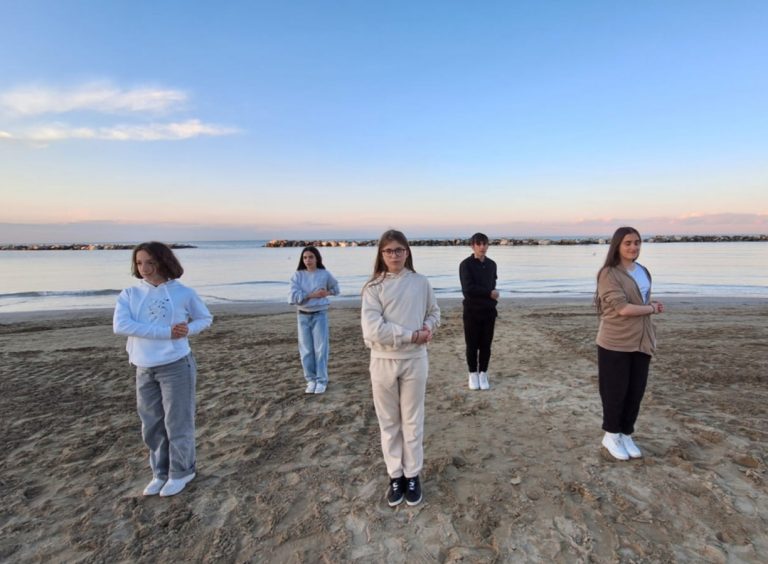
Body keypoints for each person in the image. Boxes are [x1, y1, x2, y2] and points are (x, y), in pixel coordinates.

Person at [113, 241, 213, 497]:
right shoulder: (129, 294)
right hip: (143, 367)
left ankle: (182, 471)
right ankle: (160, 472)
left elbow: (205, 318)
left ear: (162, 261)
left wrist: (188, 329)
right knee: (152, 424)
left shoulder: (183, 292)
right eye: (139, 263)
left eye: (149, 262)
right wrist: (165, 333)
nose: (144, 268)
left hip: (176, 365)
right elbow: (122, 326)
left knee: (177, 421)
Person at [361, 230, 440, 507]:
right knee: (389, 422)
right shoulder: (373, 288)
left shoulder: (421, 282)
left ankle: (412, 474)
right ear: (381, 255)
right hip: (383, 361)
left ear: (407, 252)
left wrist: (428, 328)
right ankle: (395, 475)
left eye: (399, 250)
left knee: (412, 420)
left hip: (415, 360)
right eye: (389, 251)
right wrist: (410, 335)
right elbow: (372, 330)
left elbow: (434, 311)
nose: (394, 255)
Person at [594, 227, 664, 461]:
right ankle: (611, 435)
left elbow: (639, 300)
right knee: (615, 392)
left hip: (642, 340)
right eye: (628, 243)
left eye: (637, 242)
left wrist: (649, 304)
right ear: (617, 246)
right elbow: (623, 309)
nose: (633, 247)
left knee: (635, 391)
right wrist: (652, 308)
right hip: (616, 341)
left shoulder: (643, 270)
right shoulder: (608, 273)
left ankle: (625, 433)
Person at [288, 245, 340, 394]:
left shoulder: (324, 274)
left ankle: (321, 380)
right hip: (302, 316)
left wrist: (326, 293)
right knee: (306, 350)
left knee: (321, 349)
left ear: (317, 258)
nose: (308, 260)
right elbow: (292, 297)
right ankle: (310, 380)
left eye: (311, 257)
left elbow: (336, 289)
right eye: (305, 257)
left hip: (320, 315)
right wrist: (312, 295)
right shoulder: (297, 275)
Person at [459, 232, 499, 391]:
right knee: (472, 345)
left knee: (486, 345)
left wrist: (492, 295)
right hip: (471, 311)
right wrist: (489, 293)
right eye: (479, 244)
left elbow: (492, 283)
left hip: (489, 311)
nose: (482, 247)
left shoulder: (492, 264)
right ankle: (472, 374)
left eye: (485, 244)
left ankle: (483, 373)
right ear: (473, 246)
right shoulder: (465, 265)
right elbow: (468, 290)